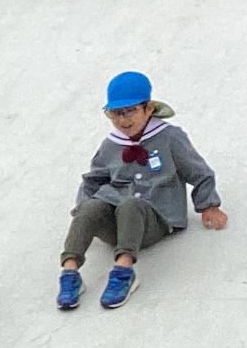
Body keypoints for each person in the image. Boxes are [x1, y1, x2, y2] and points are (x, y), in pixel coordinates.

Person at [57, 71, 227, 312]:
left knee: (131, 205)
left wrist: (209, 205)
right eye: (115, 113)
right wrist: (84, 215)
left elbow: (199, 171)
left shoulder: (169, 137)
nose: (123, 120)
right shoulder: (111, 144)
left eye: (130, 111)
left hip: (155, 217)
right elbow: (93, 179)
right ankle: (70, 273)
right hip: (115, 219)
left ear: (148, 109)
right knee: (90, 207)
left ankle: (124, 271)